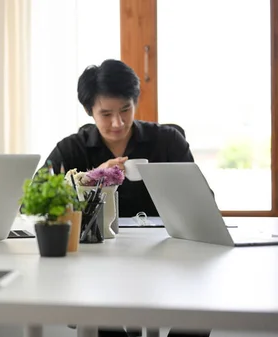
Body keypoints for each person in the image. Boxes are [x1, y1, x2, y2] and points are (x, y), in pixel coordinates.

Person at [43, 59, 209, 337]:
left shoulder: (168, 142)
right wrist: (94, 176)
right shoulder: (72, 148)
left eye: (125, 110)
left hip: (166, 257)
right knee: (95, 313)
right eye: (106, 114)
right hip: (97, 265)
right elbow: (35, 201)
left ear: (135, 102)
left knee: (204, 307)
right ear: (89, 112)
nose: (117, 123)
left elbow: (204, 204)